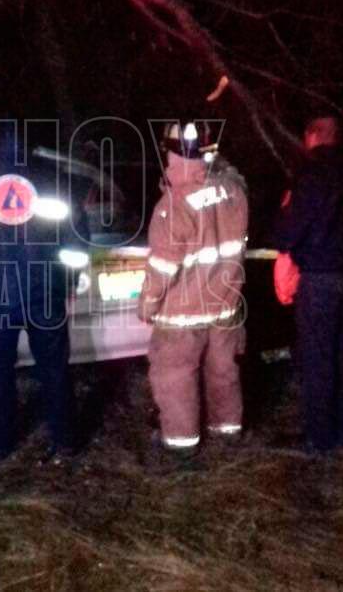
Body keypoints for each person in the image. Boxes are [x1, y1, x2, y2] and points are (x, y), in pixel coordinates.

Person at [0, 120, 90, 464]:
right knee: (54, 368)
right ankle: (64, 440)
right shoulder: (54, 180)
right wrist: (68, 283)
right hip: (46, 289)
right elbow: (78, 240)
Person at [273, 116, 343, 453]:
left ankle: (320, 438)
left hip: (321, 280)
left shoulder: (311, 174)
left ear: (312, 137)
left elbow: (289, 232)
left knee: (318, 355)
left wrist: (282, 222)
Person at [138, 121, 249, 455]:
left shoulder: (173, 206)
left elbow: (162, 268)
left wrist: (147, 304)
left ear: (169, 154)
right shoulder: (234, 191)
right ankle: (227, 430)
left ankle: (181, 443)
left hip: (182, 315)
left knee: (175, 376)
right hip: (226, 305)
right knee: (223, 371)